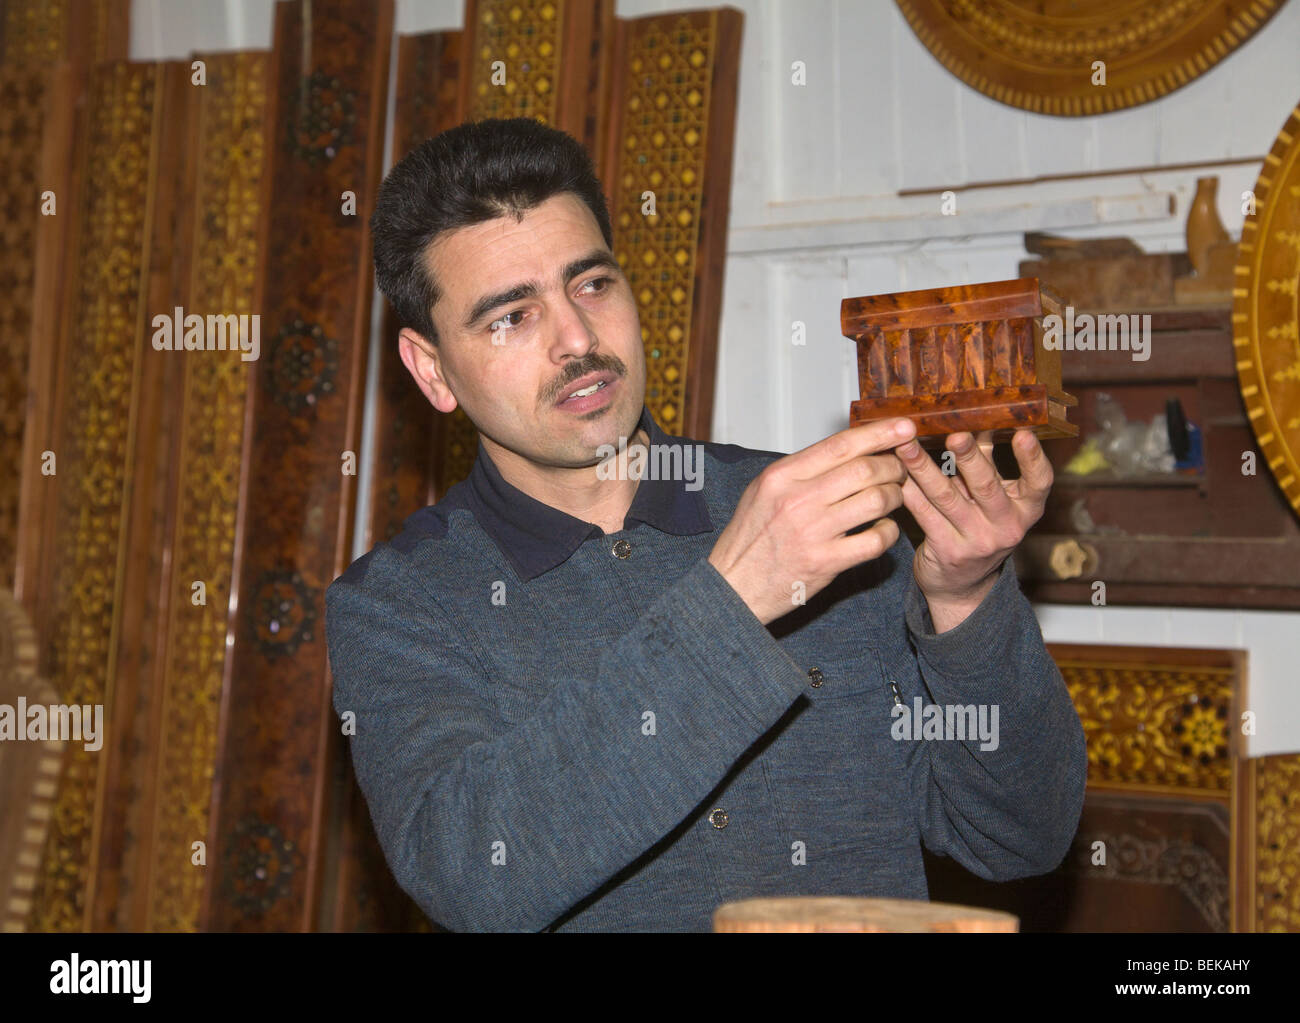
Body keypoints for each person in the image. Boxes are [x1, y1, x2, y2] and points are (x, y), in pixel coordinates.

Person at [325, 117, 1087, 933]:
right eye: (512, 316)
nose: (577, 340)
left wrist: (967, 602)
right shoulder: (398, 605)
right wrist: (735, 598)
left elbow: (1018, 836)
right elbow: (474, 872)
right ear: (432, 369)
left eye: (592, 284)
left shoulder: (819, 512)